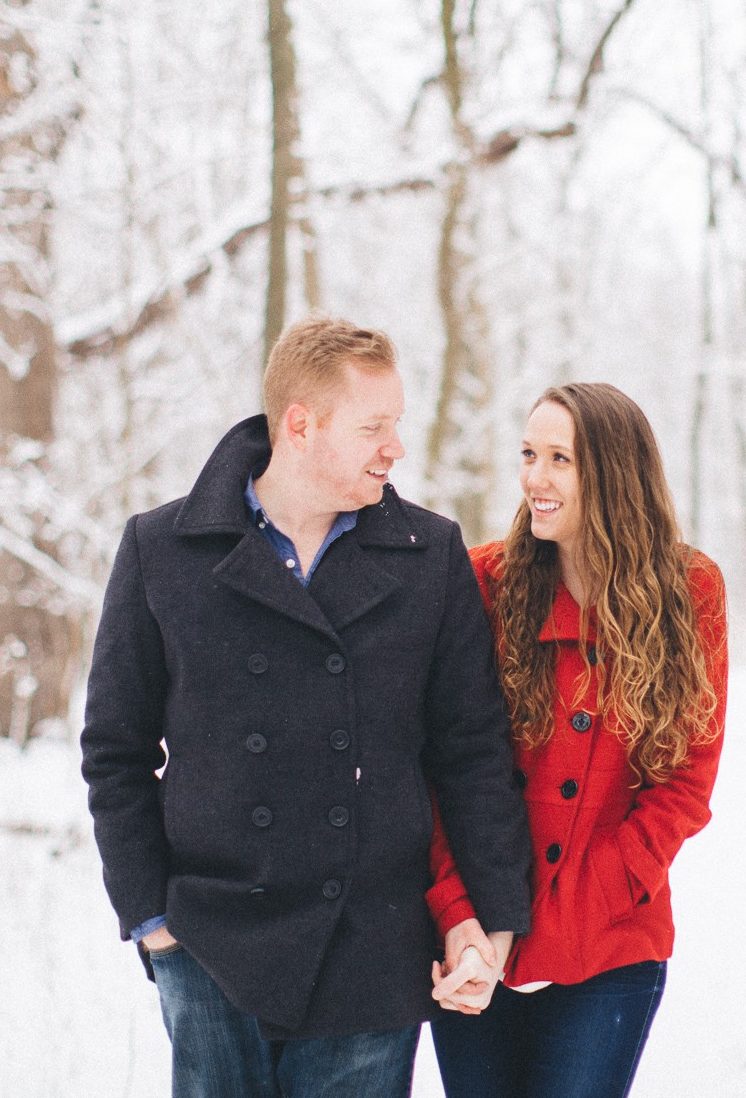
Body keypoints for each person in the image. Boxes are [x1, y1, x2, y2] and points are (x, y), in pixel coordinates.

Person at [81, 317, 532, 1097]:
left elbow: (471, 751)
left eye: (397, 424)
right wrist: (154, 919)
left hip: (370, 948)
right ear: (301, 425)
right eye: (374, 427)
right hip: (213, 944)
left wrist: (490, 917)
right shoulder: (164, 550)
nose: (395, 447)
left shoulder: (428, 556)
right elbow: (115, 748)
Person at [425, 382, 730, 1098]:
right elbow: (440, 767)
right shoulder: (482, 583)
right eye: (529, 453)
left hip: (612, 942)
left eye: (559, 458)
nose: (535, 476)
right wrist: (463, 915)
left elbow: (685, 785)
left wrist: (564, 919)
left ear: (613, 474)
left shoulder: (690, 592)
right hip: (474, 947)